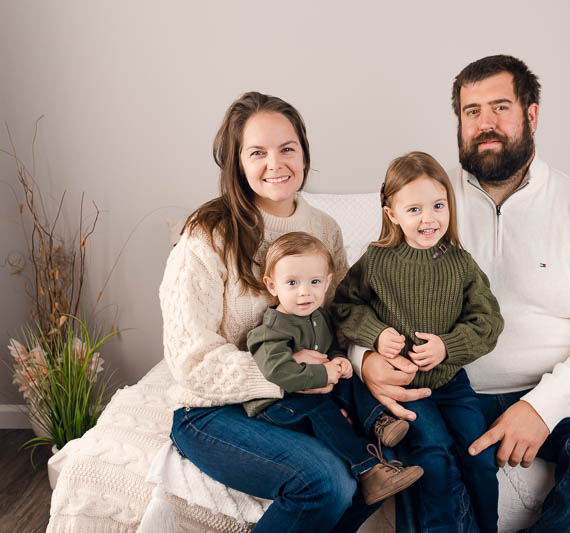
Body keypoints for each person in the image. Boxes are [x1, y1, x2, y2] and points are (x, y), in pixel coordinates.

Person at [351, 56, 570, 532]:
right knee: (421, 456)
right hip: (447, 387)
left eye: (500, 107)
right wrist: (365, 360)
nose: (485, 124)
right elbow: (360, 298)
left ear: (531, 115)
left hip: (553, 384)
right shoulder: (425, 202)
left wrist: (541, 407)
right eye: (471, 111)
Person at [161, 92, 379, 532]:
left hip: (301, 398)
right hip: (212, 410)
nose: (275, 163)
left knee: (383, 466)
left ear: (304, 152)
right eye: (257, 152)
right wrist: (286, 371)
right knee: (326, 482)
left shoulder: (323, 228)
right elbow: (191, 360)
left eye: (287, 148)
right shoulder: (208, 235)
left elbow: (336, 319)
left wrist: (359, 360)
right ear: (237, 162)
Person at [332, 151, 504, 533]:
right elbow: (344, 305)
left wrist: (448, 346)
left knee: (479, 455)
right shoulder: (376, 261)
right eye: (414, 209)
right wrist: (376, 334)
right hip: (405, 388)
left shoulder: (460, 264)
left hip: (451, 382)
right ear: (391, 213)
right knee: (435, 455)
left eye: (438, 206)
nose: (429, 219)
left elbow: (488, 321)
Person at [242, 231, 423, 506]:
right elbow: (277, 372)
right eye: (292, 283)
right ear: (272, 285)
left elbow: (331, 347)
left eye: (314, 282)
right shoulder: (271, 330)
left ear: (327, 283)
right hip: (277, 407)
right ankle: (369, 471)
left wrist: (338, 360)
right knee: (320, 409)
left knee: (351, 378)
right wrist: (324, 373)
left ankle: (379, 421)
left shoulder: (319, 317)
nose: (305, 292)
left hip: (313, 390)